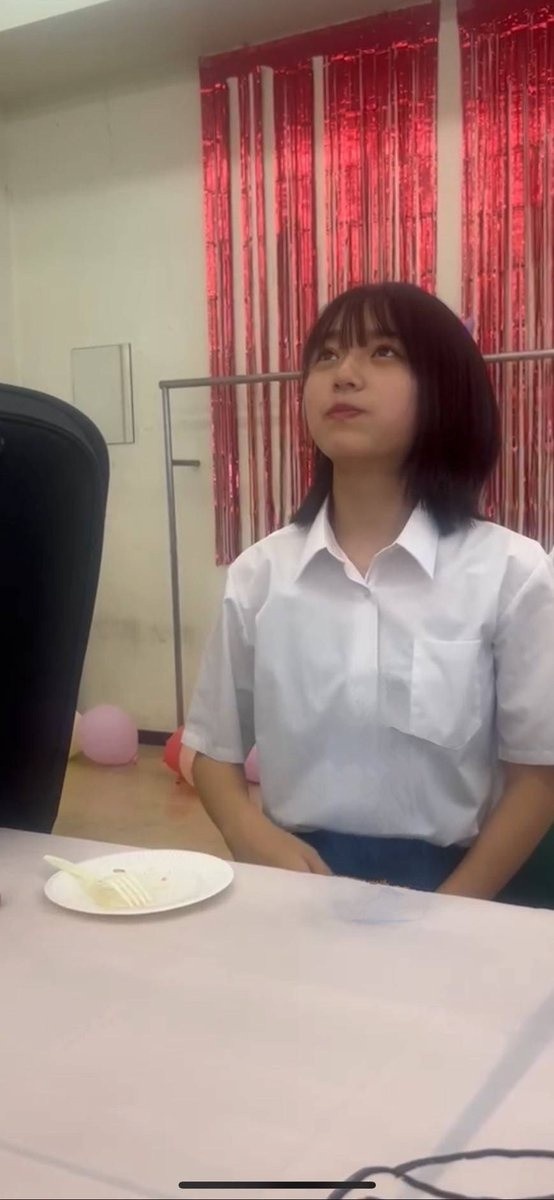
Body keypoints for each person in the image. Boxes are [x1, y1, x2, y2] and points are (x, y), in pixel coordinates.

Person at [181, 282, 554, 900]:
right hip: (296, 886)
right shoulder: (260, 575)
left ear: (445, 390)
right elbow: (213, 752)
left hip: (456, 887)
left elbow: (538, 772)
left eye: (383, 353)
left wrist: (455, 909)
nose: (344, 375)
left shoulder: (511, 573)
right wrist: (252, 836)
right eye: (326, 355)